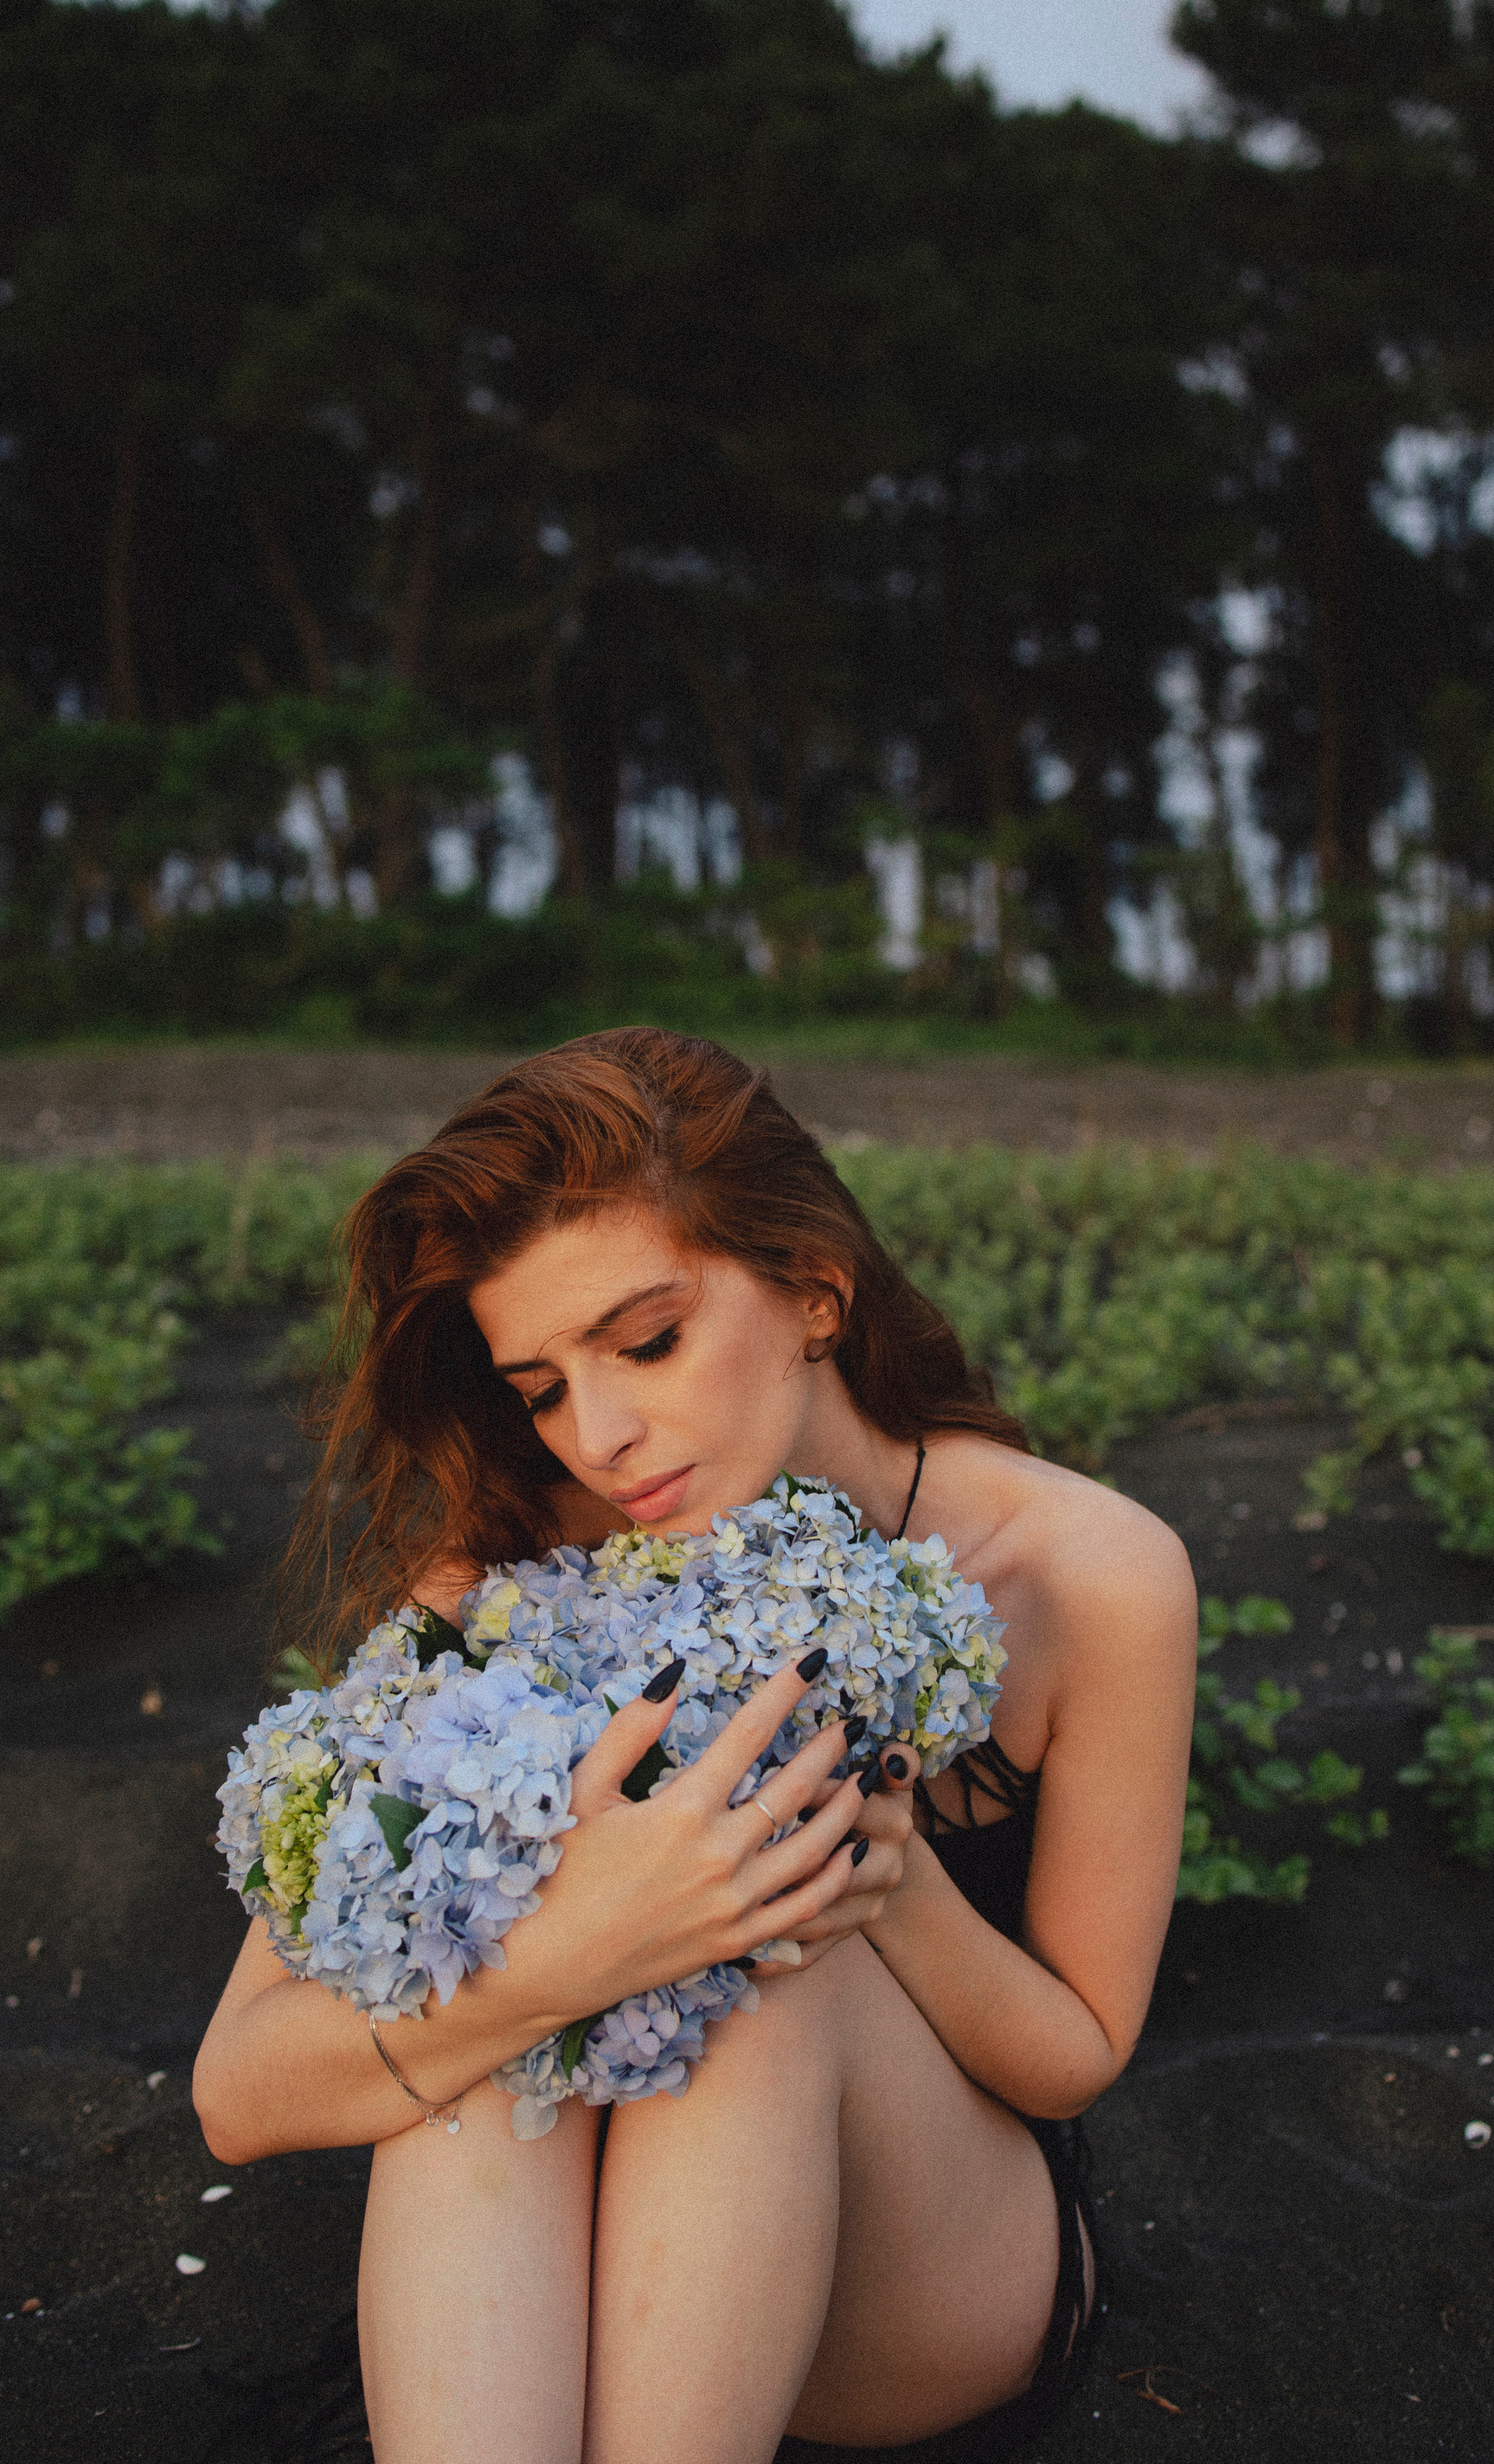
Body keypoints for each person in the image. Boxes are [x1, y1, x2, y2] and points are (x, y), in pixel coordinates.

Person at [194, 1027, 1196, 2464]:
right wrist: (567, 1953)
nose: (597, 1435)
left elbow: (1077, 2056)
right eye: (541, 1388)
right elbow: (238, 2090)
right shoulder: (509, 1575)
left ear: (814, 1291)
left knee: (758, 1961)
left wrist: (872, 1878)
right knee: (492, 1994)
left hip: (931, 2262)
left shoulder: (1090, 1576)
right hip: (596, 2263)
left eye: (646, 1341)